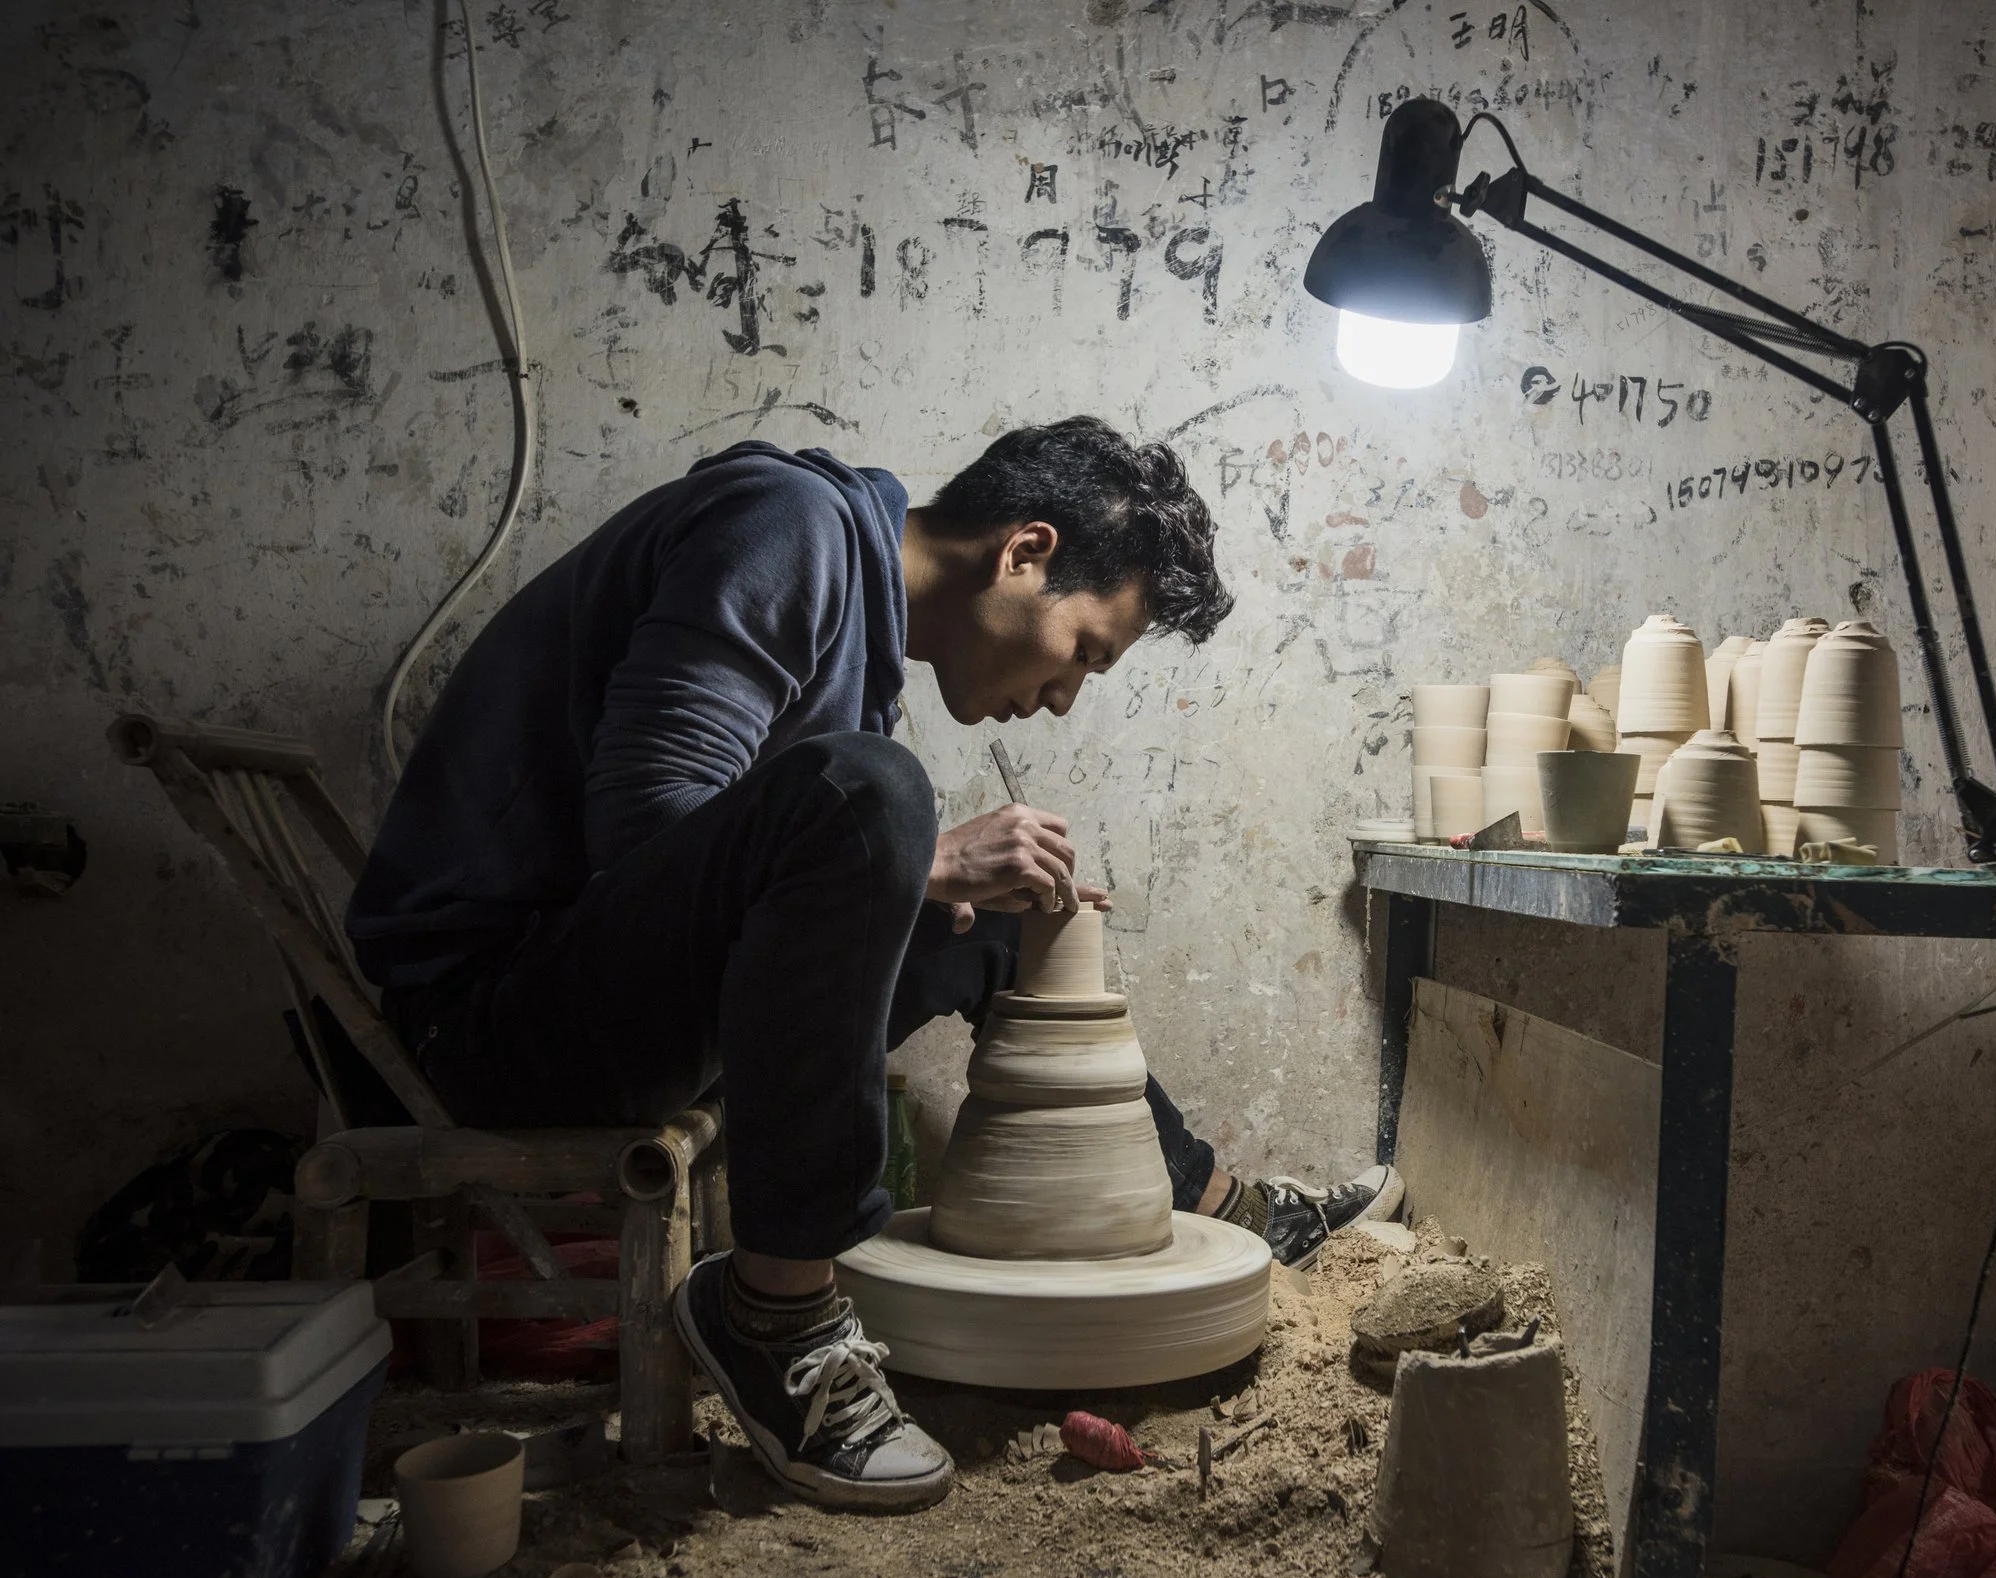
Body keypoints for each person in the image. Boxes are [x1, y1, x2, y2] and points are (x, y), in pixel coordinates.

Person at [345, 418, 1401, 1513]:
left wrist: (945, 884)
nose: (1063, 697)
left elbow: (735, 886)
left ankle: (1227, 1205)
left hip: (613, 994)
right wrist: (927, 854)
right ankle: (775, 1319)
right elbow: (647, 843)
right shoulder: (785, 526)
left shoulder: (859, 637)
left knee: (993, 921)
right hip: (490, 1018)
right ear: (1024, 552)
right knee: (874, 794)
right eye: (1085, 651)